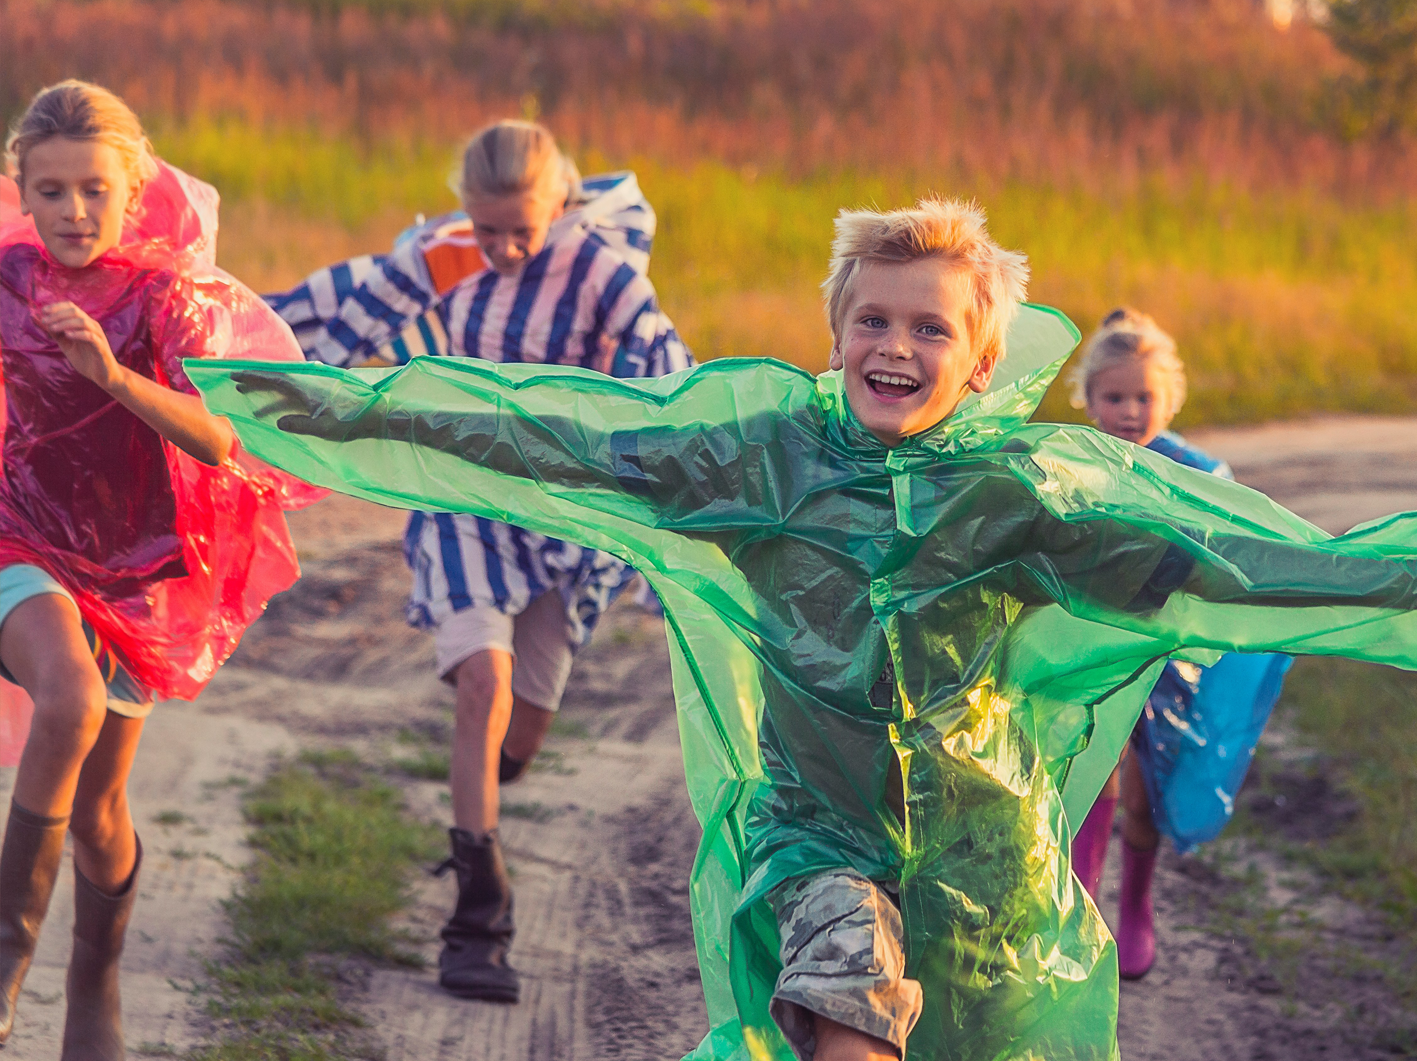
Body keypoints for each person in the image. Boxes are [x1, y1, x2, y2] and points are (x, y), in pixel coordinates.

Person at [191, 197, 1417, 1061]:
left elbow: (1234, 567)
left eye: (930, 327)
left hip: (985, 863)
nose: (895, 345)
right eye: (872, 320)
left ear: (981, 356)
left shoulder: (1014, 499)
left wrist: (1384, 583)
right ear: (835, 333)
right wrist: (321, 408)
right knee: (845, 1014)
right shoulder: (759, 456)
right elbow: (542, 436)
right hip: (817, 834)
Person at [264, 118, 692, 1003]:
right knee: (484, 689)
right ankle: (477, 921)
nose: (500, 249)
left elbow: (664, 362)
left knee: (519, 734)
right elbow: (322, 313)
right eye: (484, 229)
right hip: (461, 498)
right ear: (463, 211)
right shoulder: (436, 257)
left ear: (559, 208)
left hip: (561, 514)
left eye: (519, 231)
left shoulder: (597, 270)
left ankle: (477, 791)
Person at [0, 80, 319, 1059]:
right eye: (49, 191)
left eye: (93, 189)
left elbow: (220, 441)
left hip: (137, 569)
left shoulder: (163, 296)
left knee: (99, 809)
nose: (72, 212)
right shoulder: (5, 277)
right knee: (68, 697)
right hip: (20, 536)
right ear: (23, 192)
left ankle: (94, 973)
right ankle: (6, 965)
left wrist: (111, 373)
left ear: (130, 192)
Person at [1066, 309, 1293, 981]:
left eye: (1144, 396)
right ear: (1088, 398)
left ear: (1169, 397)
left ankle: (1134, 901)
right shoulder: (1073, 460)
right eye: (1114, 396)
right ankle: (1081, 904)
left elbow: (1230, 552)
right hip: (1092, 646)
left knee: (1144, 790)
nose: (1130, 410)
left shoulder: (1198, 471)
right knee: (1089, 770)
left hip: (1169, 657)